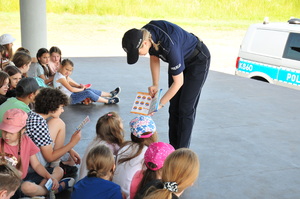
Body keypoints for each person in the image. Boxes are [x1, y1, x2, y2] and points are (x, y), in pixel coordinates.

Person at [122, 20, 211, 149]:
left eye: (138, 53)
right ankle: (172, 148)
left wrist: (159, 104)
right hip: (180, 58)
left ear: (145, 43)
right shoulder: (143, 34)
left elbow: (178, 82)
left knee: (185, 108)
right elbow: (153, 57)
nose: (139, 56)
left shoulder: (170, 46)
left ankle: (181, 153)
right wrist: (155, 84)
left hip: (197, 60)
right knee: (174, 106)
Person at [0, 108, 64, 198]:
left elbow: (36, 165)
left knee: (59, 170)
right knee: (27, 187)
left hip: (25, 178)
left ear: (23, 131)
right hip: (11, 186)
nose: (6, 135)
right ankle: (47, 191)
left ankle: (40, 191)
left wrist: (49, 176)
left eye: (11, 132)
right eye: (4, 131)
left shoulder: (27, 140)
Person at [26, 87, 81, 177]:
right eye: (61, 107)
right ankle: (54, 168)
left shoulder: (32, 114)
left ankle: (57, 165)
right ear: (52, 108)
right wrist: (72, 143)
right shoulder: (39, 124)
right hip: (33, 164)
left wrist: (69, 149)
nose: (62, 110)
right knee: (58, 122)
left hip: (30, 156)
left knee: (57, 122)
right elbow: (49, 157)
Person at [112, 115, 158, 199]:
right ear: (153, 134)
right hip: (132, 195)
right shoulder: (149, 154)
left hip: (116, 192)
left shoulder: (124, 147)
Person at [79, 111, 125, 180]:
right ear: (116, 131)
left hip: (83, 181)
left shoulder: (96, 141)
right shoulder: (107, 147)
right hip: (95, 182)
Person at [53, 58, 121, 105]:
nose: (68, 72)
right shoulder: (60, 77)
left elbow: (69, 82)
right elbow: (71, 89)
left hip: (71, 95)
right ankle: (108, 101)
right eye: (66, 69)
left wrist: (79, 86)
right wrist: (81, 89)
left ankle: (110, 94)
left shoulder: (61, 74)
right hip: (68, 99)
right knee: (88, 92)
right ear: (61, 66)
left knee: (89, 89)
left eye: (70, 71)